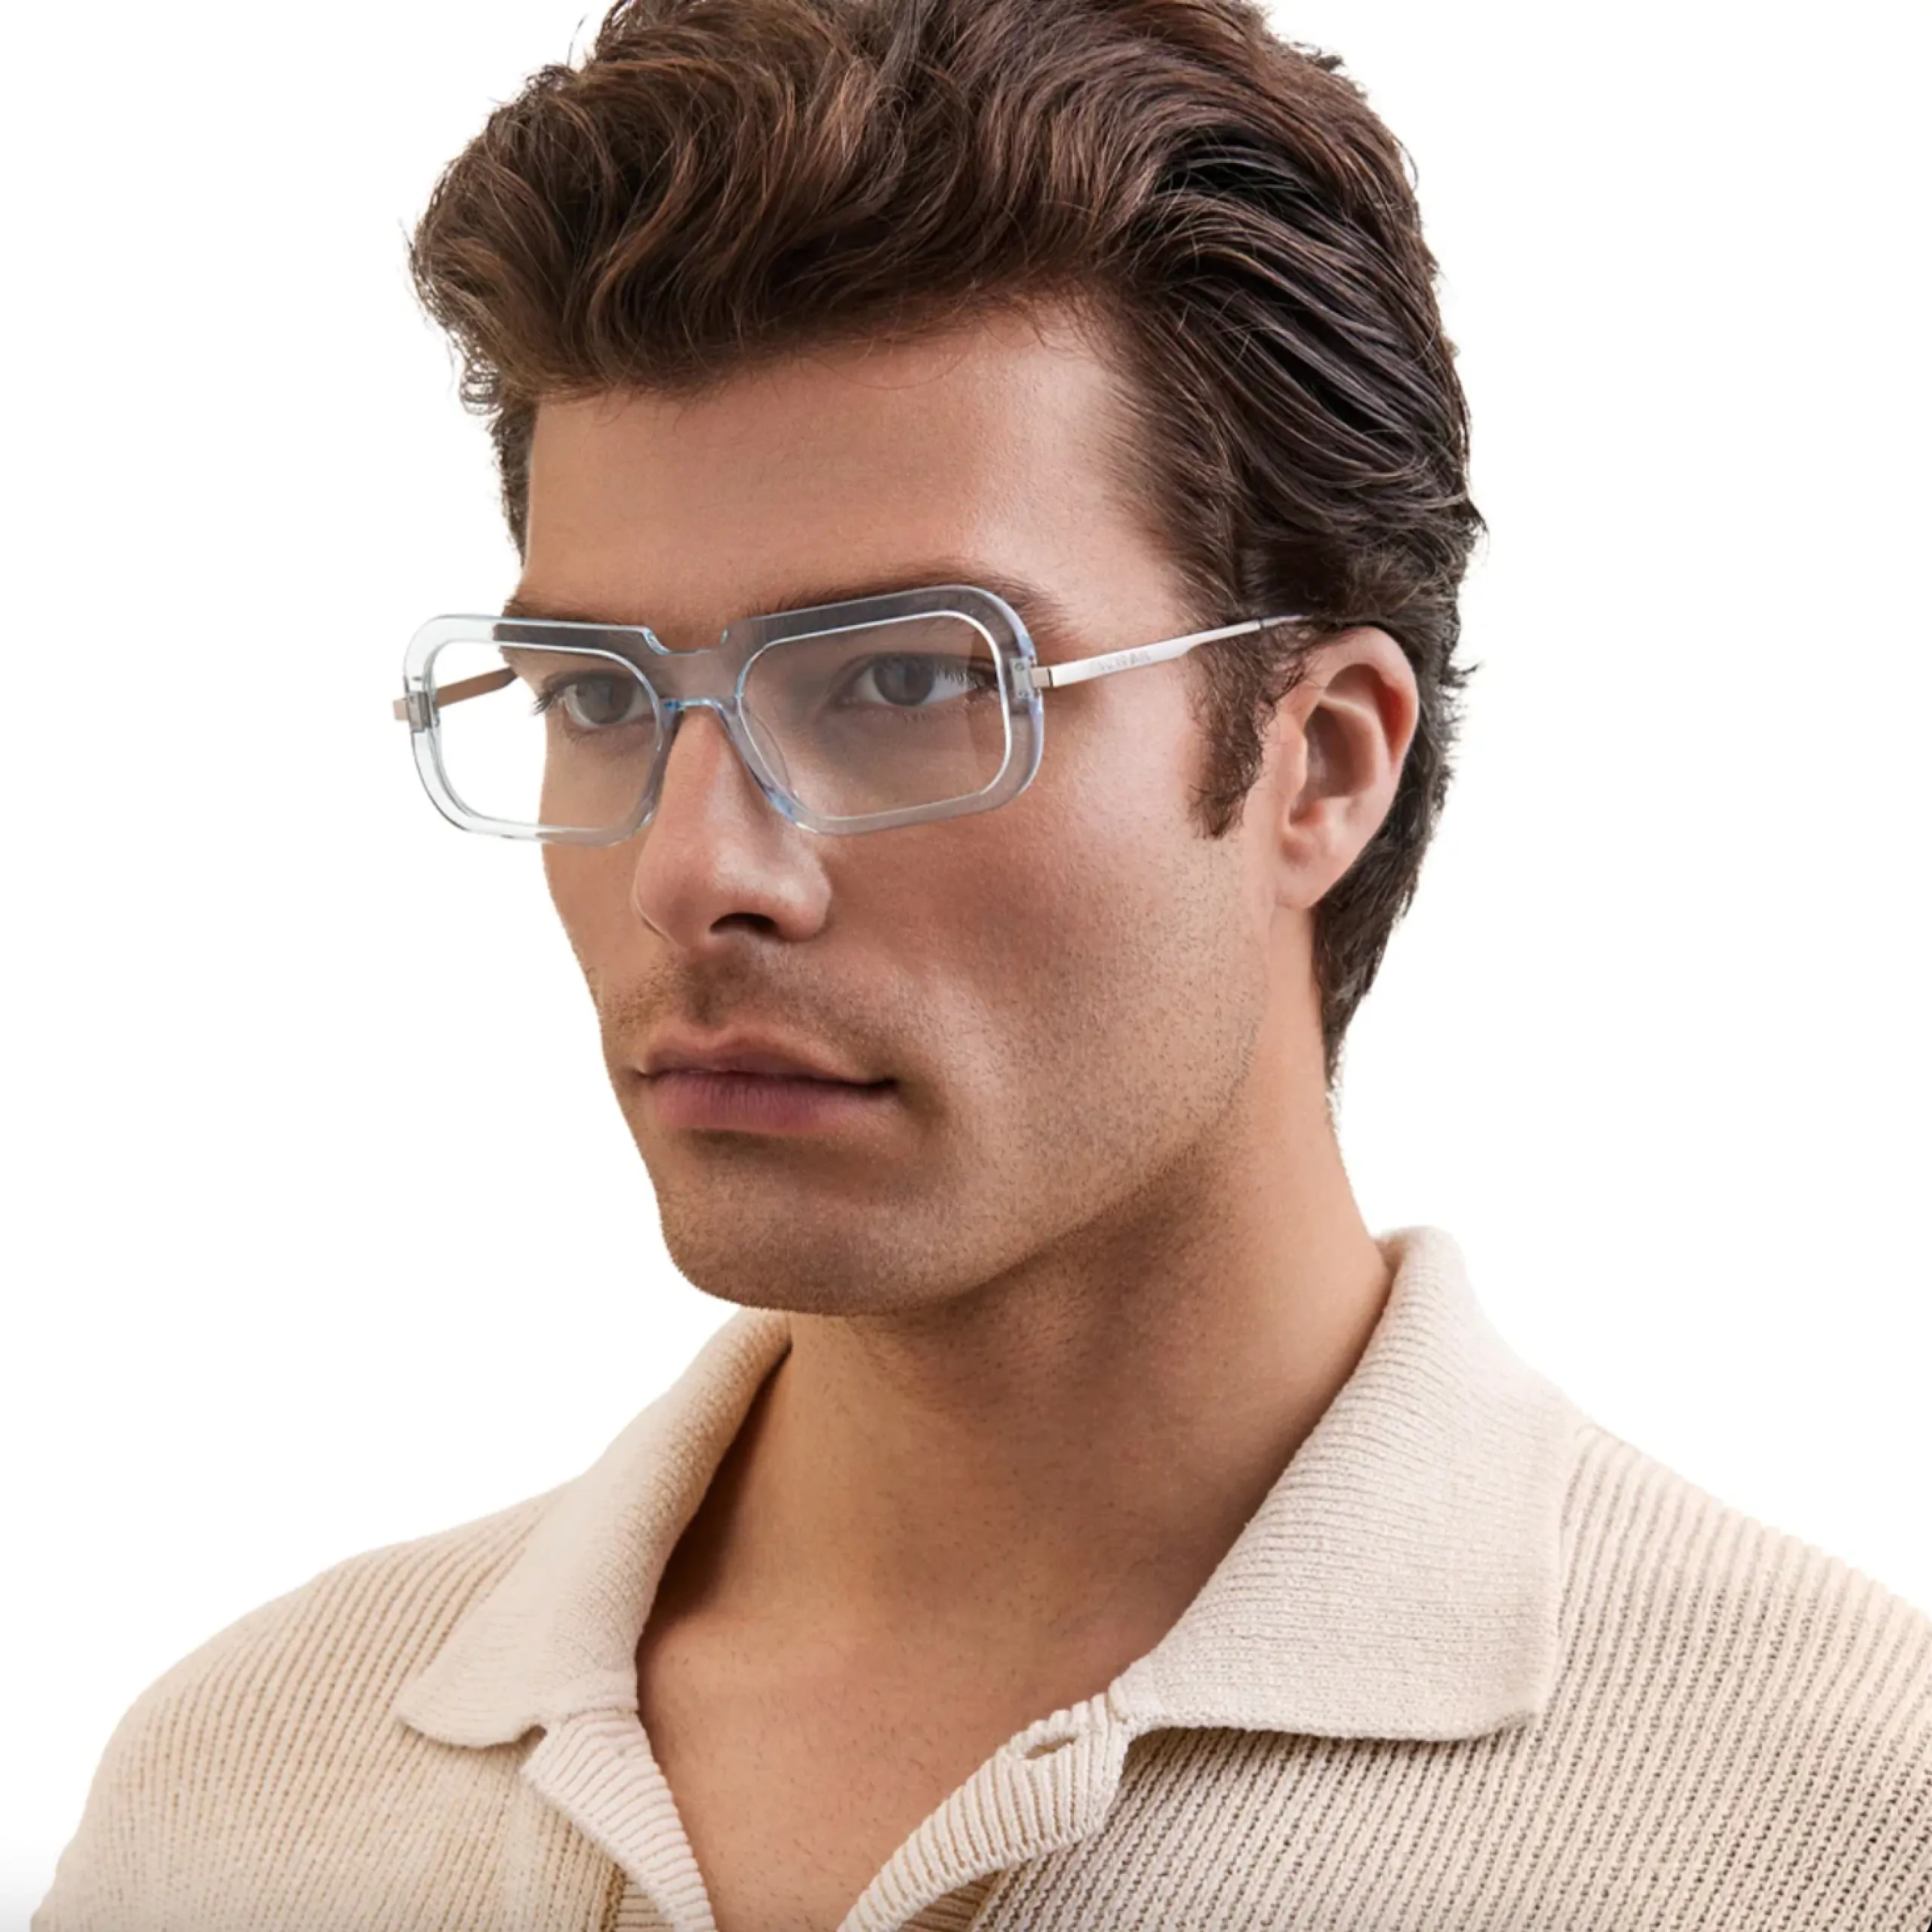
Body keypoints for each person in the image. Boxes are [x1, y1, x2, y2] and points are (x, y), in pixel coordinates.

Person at [35, 1, 1932, 1927]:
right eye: (597, 698)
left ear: (1318, 763)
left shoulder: (1847, 1832)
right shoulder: (235, 1800)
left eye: (899, 681)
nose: (691, 869)